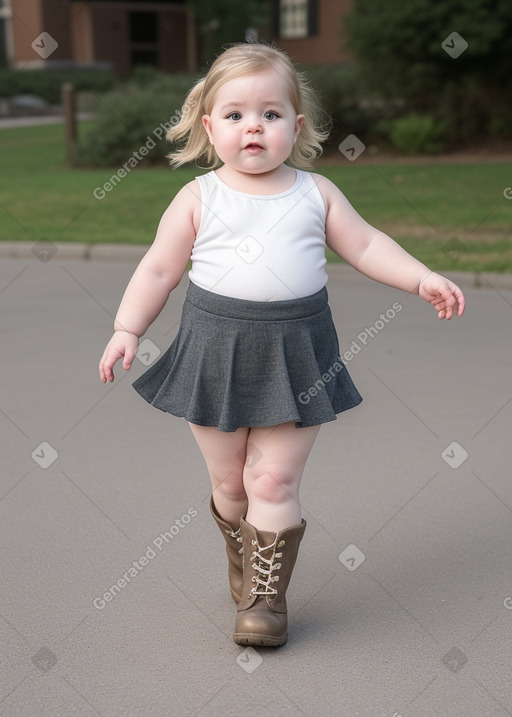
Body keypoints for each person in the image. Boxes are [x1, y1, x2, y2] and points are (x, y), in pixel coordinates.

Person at [99, 43, 465, 648]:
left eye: (270, 115)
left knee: (270, 482)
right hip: (214, 350)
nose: (253, 127)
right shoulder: (198, 198)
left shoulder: (314, 193)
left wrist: (421, 276)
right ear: (209, 125)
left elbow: (368, 245)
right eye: (236, 114)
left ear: (295, 128)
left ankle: (266, 598)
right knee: (232, 485)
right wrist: (126, 329)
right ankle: (244, 556)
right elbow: (159, 271)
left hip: (298, 353)